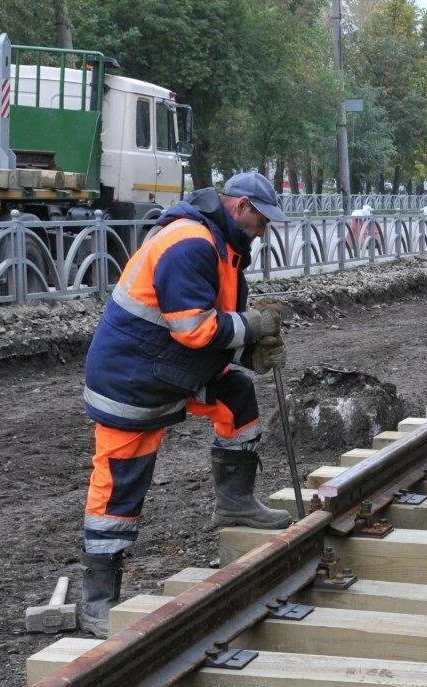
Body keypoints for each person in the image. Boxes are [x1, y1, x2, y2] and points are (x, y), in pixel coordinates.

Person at [77, 172, 293, 637]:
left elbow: (206, 327)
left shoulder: (223, 246)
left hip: (168, 366)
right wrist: (251, 328)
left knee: (237, 397)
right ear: (239, 207)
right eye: (260, 220)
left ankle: (235, 505)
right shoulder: (191, 244)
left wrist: (245, 352)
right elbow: (194, 329)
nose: (263, 231)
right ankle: (98, 599)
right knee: (120, 484)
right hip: (132, 380)